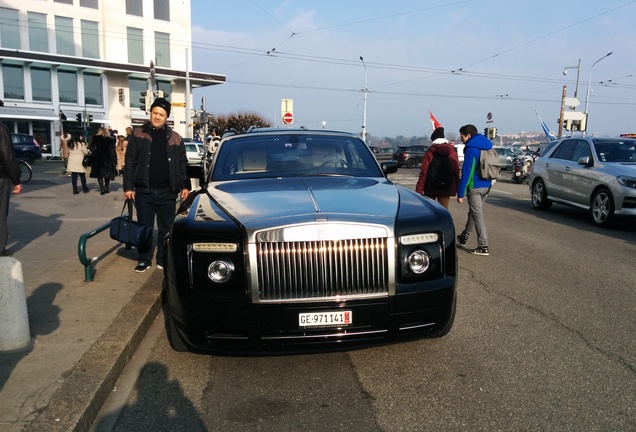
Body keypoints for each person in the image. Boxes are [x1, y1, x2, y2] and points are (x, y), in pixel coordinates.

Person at [123, 98, 190, 273]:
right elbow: (130, 162)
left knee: (165, 229)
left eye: (161, 114)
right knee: (144, 227)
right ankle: (144, 258)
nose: (157, 117)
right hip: (144, 191)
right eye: (155, 113)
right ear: (150, 113)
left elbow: (183, 163)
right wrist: (128, 187)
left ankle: (163, 258)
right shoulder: (139, 134)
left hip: (167, 192)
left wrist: (185, 186)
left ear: (166, 116)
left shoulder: (176, 138)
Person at [456, 124, 493, 256]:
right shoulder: (487, 145)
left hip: (475, 187)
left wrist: (460, 193)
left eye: (462, 136)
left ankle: (483, 246)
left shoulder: (471, 149)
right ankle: (464, 238)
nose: (461, 140)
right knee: (474, 212)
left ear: (468, 135)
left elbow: (467, 173)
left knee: (477, 216)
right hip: (487, 184)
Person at [415, 127, 459, 208]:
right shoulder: (452, 151)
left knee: (430, 211)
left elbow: (424, 173)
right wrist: (458, 188)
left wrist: (418, 190)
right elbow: (456, 171)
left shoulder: (429, 153)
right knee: (444, 211)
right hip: (447, 186)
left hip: (431, 187)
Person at [0, 123, 23, 257]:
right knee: (1, 213)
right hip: (1, 177)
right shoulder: (1, 129)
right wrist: (16, 180)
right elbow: (6, 155)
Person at [89, 127, 117, 195]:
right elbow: (112, 151)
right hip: (108, 159)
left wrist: (95, 152)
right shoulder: (110, 140)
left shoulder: (96, 139)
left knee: (99, 175)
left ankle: (102, 188)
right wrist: (114, 159)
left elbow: (92, 148)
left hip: (98, 158)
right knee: (107, 174)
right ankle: (107, 188)